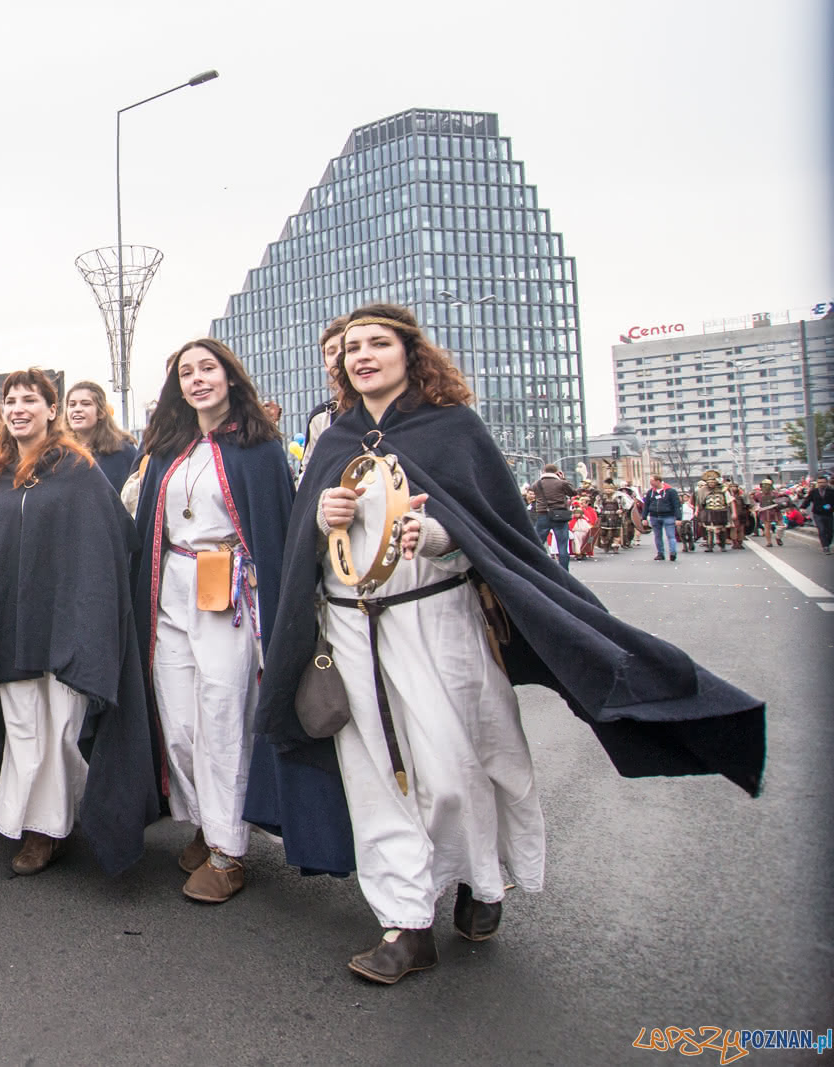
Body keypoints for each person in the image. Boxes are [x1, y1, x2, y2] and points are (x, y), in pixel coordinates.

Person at [255, 303, 764, 986]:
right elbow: (305, 548)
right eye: (352, 347)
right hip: (351, 626)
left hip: (436, 620)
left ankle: (482, 880)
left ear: (411, 353)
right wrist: (320, 517)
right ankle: (406, 921)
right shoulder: (334, 439)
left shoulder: (453, 430)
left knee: (454, 765)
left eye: (378, 343)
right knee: (375, 771)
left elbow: (496, 528)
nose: (362, 355)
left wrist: (437, 536)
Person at [0, 368, 157, 876]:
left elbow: (114, 538)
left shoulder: (78, 471)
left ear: (50, 410)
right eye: (10, 400)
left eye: (29, 400)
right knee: (21, 726)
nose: (18, 408)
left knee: (59, 727)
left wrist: (87, 609)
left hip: (62, 624)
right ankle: (40, 819)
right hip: (8, 628)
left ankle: (46, 830)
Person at [131, 338, 303, 903]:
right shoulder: (166, 449)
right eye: (187, 372)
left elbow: (274, 530)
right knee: (178, 723)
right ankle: (208, 821)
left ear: (230, 377)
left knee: (224, 712)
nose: (198, 379)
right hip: (171, 592)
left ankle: (229, 852)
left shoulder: (258, 448)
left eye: (208, 368)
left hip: (230, 591)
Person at [298, 316, 349, 480]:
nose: (338, 357)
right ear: (325, 364)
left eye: (346, 348)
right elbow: (307, 477)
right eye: (331, 352)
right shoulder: (322, 416)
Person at [66, 380, 139, 492]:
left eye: (86, 404)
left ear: (101, 412)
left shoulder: (124, 451)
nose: (77, 409)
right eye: (72, 405)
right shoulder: (61, 454)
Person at [528, 464, 574, 570]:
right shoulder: (561, 483)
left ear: (543, 471)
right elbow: (573, 492)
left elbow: (534, 492)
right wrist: (564, 479)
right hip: (559, 516)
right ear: (557, 472)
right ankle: (564, 571)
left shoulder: (537, 484)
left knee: (538, 544)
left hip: (543, 515)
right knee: (562, 545)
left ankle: (534, 568)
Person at [641, 474, 681, 563]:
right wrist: (644, 517)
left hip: (668, 516)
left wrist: (678, 518)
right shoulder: (650, 492)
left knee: (671, 535)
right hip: (654, 516)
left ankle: (673, 552)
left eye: (652, 481)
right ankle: (660, 553)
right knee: (657, 536)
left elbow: (676, 505)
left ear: (658, 481)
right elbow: (646, 505)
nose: (650, 483)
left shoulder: (670, 491)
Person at [698, 473, 731, 552]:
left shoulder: (723, 490)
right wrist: (700, 513)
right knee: (709, 530)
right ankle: (710, 546)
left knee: (722, 529)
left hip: (721, 511)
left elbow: (729, 501)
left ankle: (722, 546)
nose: (711, 484)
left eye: (713, 482)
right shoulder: (703, 491)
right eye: (709, 482)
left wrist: (731, 512)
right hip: (709, 511)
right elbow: (701, 503)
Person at [751, 479, 784, 546]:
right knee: (767, 527)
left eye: (767, 485)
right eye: (764, 485)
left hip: (775, 510)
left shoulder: (776, 494)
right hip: (765, 511)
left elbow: (782, 501)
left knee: (781, 526)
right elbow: (753, 502)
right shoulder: (758, 495)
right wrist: (756, 506)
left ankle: (778, 537)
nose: (765, 487)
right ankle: (769, 542)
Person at [808, 472, 833, 554]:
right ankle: (825, 546)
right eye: (819, 482)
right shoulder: (814, 491)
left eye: (822, 482)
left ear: (826, 482)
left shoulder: (831, 491)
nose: (821, 484)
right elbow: (808, 500)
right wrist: (803, 508)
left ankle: (828, 543)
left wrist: (831, 506)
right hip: (817, 513)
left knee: (829, 531)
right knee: (821, 529)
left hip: (828, 513)